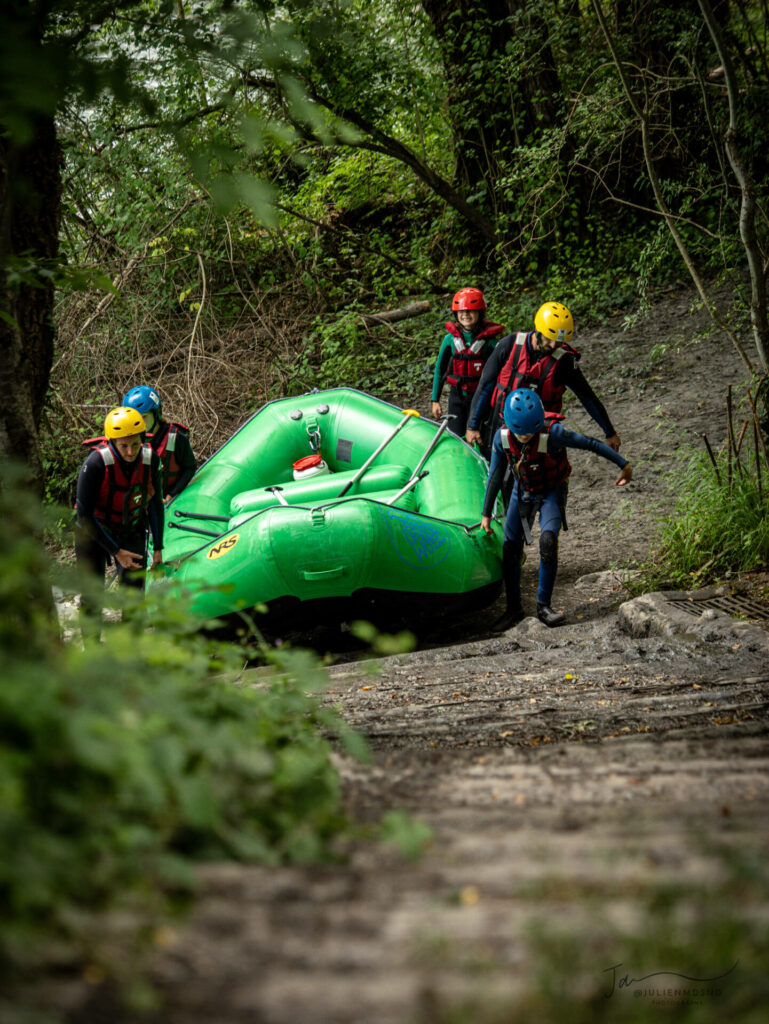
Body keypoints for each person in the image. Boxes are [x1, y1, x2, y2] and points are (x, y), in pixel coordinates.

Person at [481, 388, 632, 632]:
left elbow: (590, 444)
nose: (525, 437)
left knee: (548, 542)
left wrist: (623, 465)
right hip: (523, 491)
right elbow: (495, 474)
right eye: (521, 434)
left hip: (551, 491)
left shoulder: (554, 434)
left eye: (530, 432)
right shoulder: (502, 437)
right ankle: (513, 609)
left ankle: (544, 607)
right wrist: (486, 513)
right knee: (511, 548)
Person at [466, 301, 621, 457]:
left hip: (539, 432)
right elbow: (486, 386)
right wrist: (472, 426)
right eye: (549, 338)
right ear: (537, 330)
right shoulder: (509, 345)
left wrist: (609, 432)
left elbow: (587, 397)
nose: (554, 345)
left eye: (559, 341)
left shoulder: (564, 362)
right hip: (502, 424)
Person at [75, 406, 164, 610]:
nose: (131, 452)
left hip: (130, 528)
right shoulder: (95, 464)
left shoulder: (151, 460)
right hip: (93, 530)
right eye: (124, 446)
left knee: (133, 594)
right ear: (112, 442)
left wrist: (158, 547)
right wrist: (116, 551)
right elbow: (84, 516)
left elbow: (155, 503)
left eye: (135, 444)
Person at [430, 287, 506, 441]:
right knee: (456, 438)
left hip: (480, 397)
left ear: (480, 312)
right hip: (457, 398)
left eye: (471, 311)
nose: (465, 314)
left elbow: (500, 373)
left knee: (480, 438)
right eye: (461, 312)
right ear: (456, 314)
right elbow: (440, 369)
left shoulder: (490, 341)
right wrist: (435, 399)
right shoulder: (450, 339)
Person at [122, 384, 197, 505]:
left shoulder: (176, 438)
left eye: (144, 417)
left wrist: (172, 494)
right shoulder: (129, 443)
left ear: (156, 413)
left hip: (171, 498)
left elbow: (190, 467)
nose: (139, 424)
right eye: (135, 419)